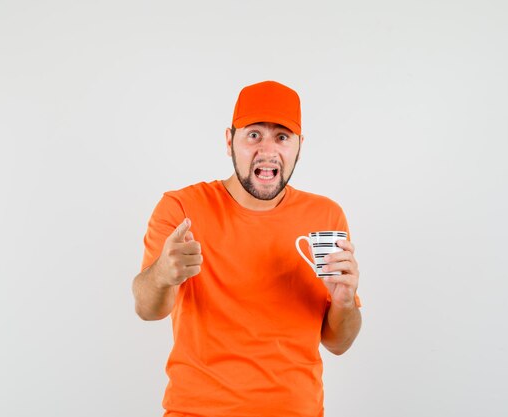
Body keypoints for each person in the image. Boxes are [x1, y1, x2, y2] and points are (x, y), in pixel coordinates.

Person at [132, 80, 362, 417]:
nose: (268, 151)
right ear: (230, 141)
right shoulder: (181, 208)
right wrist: (163, 275)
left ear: (300, 146)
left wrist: (344, 301)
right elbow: (147, 309)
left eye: (282, 137)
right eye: (254, 135)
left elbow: (338, 343)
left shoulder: (326, 216)